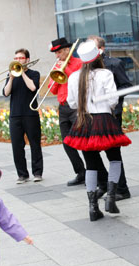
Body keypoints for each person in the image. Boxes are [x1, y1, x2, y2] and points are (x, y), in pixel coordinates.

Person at [64, 40, 131, 221]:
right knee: (115, 159)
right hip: (104, 120)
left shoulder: (73, 77)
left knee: (91, 165)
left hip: (84, 121)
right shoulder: (105, 73)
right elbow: (113, 100)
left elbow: (72, 103)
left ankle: (93, 207)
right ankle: (110, 197)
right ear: (97, 57)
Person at [87, 35, 132, 200]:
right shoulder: (86, 68)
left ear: (101, 49)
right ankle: (104, 184)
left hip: (111, 114)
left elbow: (126, 86)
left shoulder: (114, 64)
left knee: (112, 153)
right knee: (90, 152)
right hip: (92, 116)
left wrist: (112, 102)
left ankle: (121, 189)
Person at [49, 37, 86, 186]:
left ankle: (91, 173)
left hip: (76, 106)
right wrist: (58, 74)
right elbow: (52, 90)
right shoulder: (56, 66)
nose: (57, 56)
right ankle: (80, 173)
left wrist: (66, 69)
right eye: (55, 54)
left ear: (66, 50)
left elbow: (80, 82)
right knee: (67, 143)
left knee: (82, 141)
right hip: (63, 107)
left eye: (58, 52)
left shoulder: (79, 63)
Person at [3, 48, 43, 184]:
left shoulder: (34, 73)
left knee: (35, 144)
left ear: (27, 60)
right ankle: (22, 175)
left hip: (30, 114)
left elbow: (33, 88)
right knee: (16, 146)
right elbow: (6, 93)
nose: (18, 60)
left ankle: (37, 173)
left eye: (21, 58)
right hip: (15, 115)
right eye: (16, 58)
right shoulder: (11, 75)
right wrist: (11, 78)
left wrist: (22, 73)